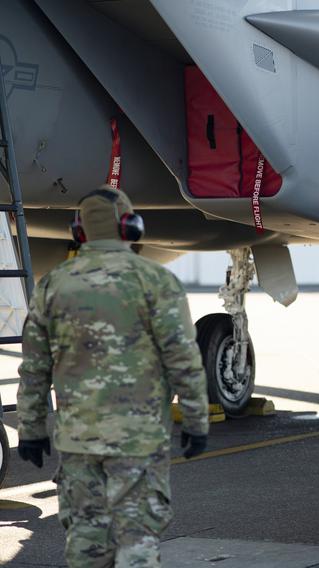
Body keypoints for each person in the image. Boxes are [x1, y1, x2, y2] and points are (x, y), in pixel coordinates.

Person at [16, 186, 210, 567]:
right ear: (130, 227)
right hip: (137, 441)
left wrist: (31, 429)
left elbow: (34, 366)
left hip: (78, 442)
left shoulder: (53, 285)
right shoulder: (155, 281)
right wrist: (195, 420)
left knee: (86, 542)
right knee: (137, 540)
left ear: (79, 231)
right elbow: (183, 358)